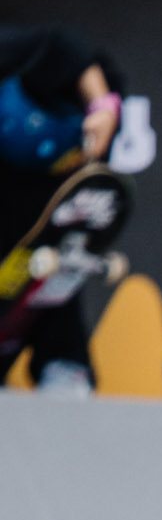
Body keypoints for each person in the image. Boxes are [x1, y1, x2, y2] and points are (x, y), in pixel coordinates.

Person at [0, 23, 124, 391]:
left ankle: (65, 368)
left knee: (52, 266)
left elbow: (61, 45)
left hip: (31, 206)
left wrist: (102, 106)